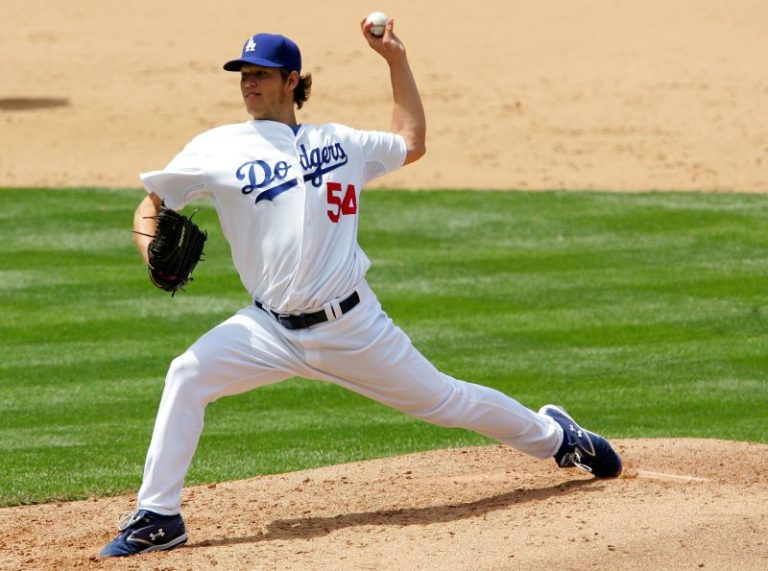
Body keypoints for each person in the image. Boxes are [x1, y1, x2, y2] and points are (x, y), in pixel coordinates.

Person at [100, 18, 622, 558]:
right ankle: (159, 516)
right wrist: (149, 256)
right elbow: (151, 203)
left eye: (261, 73)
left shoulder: (341, 142)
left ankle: (560, 439)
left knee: (446, 400)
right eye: (243, 74)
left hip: (352, 327)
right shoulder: (216, 147)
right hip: (267, 328)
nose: (249, 82)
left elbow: (412, 142)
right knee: (188, 372)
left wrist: (395, 59)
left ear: (291, 79)